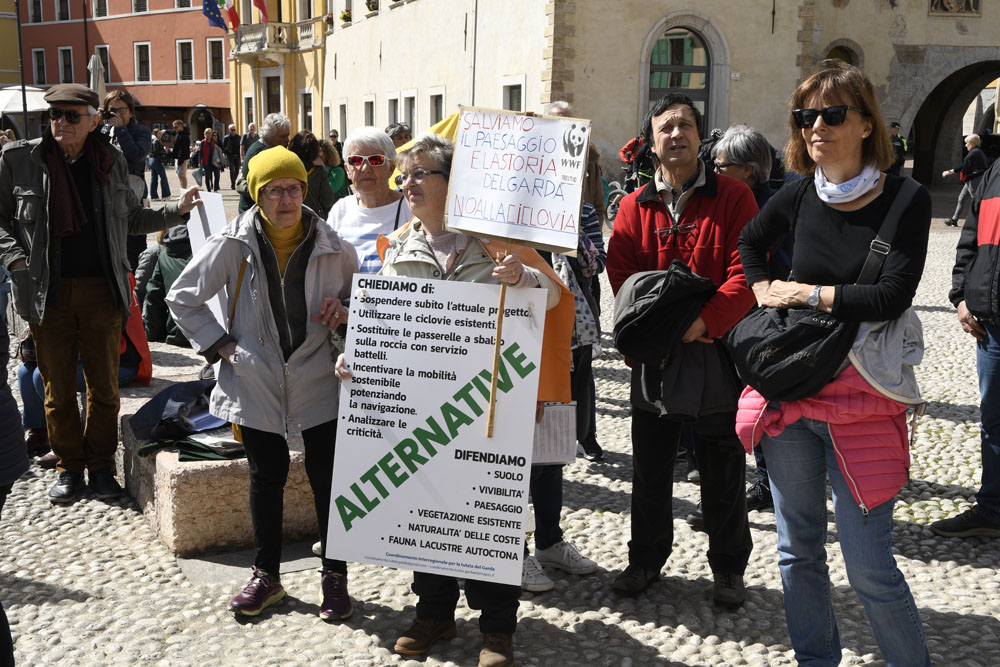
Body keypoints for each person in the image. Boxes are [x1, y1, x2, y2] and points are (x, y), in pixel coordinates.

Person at [336, 133, 563, 667]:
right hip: (421, 406)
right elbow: (389, 325)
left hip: (489, 405)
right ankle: (433, 613)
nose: (406, 184)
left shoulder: (495, 242)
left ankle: (497, 629)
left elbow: (551, 294)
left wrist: (522, 275)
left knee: (488, 512)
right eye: (404, 175)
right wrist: (357, 356)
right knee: (425, 506)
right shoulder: (397, 247)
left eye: (418, 174)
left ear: (450, 182)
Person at [737, 62, 932, 666]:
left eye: (832, 114)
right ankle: (815, 660)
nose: (815, 126)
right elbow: (749, 241)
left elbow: (893, 295)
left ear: (867, 124)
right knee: (798, 551)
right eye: (805, 116)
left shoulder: (907, 198)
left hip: (865, 396)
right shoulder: (798, 190)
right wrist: (764, 286)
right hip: (793, 393)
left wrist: (808, 293)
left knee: (869, 563)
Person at [167, 146, 357, 620]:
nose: (286, 199)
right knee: (264, 477)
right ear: (257, 195)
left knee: (328, 480)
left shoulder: (335, 245)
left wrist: (345, 316)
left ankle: (335, 577)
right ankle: (266, 577)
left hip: (318, 377)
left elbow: (364, 310)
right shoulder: (232, 243)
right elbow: (183, 298)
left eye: (293, 188)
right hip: (253, 377)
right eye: (273, 190)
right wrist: (221, 347)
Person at [0, 83, 199, 504]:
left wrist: (176, 209)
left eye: (72, 116)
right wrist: (16, 259)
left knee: (104, 388)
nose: (61, 123)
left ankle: (102, 467)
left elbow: (131, 219)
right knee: (54, 389)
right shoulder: (19, 160)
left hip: (101, 290)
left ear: (93, 121)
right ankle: (70, 468)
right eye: (54, 115)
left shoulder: (109, 160)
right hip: (44, 292)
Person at [605, 93, 756, 607]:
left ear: (700, 135)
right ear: (651, 141)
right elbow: (622, 276)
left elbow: (746, 276)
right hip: (656, 358)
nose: (676, 134)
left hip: (714, 355)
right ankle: (646, 559)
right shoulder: (632, 206)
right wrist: (650, 332)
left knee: (722, 469)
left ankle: (729, 568)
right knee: (650, 470)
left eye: (685, 125)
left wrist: (703, 322)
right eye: (665, 127)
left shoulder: (734, 197)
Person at [711, 123, 782, 513]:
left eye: (722, 167)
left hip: (762, 323)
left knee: (761, 403)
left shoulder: (771, 209)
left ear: (748, 170)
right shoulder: (727, 199)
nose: (715, 172)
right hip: (738, 319)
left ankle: (768, 483)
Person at [18, 272, 153, 470]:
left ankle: (64, 441)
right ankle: (40, 433)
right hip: (82, 354)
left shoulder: (110, 277)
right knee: (25, 373)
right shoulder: (51, 276)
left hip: (121, 362)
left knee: (42, 376)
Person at [934, 157, 1000, 538]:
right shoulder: (994, 174)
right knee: (994, 422)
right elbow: (971, 240)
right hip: (992, 328)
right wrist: (962, 296)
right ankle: (993, 510)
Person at [326, 126, 410, 273]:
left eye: (375, 160)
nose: (365, 168)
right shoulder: (340, 210)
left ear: (391, 168)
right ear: (347, 170)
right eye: (356, 161)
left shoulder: (410, 210)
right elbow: (328, 268)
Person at [102, 90, 153, 269]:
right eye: (112, 111)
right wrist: (103, 130)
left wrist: (121, 130)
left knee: (135, 249)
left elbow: (137, 155)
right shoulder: (104, 131)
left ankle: (137, 290)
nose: (117, 114)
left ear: (131, 112)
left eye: (122, 110)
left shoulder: (141, 131)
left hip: (133, 200)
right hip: (107, 199)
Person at [143, 226, 193, 348]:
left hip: (178, 333)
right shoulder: (207, 249)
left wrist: (152, 334)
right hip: (213, 333)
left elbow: (153, 297)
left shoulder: (164, 255)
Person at [238, 113, 291, 213]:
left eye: (287, 136)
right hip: (252, 211)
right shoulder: (262, 152)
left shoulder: (263, 147)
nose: (287, 140)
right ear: (269, 136)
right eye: (283, 136)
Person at [942, 133, 989, 227]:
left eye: (967, 143)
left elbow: (964, 167)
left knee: (976, 200)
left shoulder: (973, 154)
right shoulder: (978, 152)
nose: (966, 145)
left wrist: (950, 172)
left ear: (972, 143)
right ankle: (954, 220)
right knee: (961, 198)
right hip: (971, 180)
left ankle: (982, 222)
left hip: (974, 180)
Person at [288, 130, 336, 219]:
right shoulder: (318, 170)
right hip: (311, 220)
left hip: (290, 218)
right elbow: (328, 200)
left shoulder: (286, 170)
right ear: (315, 149)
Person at [195, 128, 222, 193]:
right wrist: (199, 162)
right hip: (206, 162)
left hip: (214, 162)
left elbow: (218, 151)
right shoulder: (202, 143)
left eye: (210, 133)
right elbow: (200, 153)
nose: (209, 134)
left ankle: (215, 189)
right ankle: (209, 190)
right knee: (207, 176)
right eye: (207, 133)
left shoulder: (214, 142)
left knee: (217, 174)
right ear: (205, 134)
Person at [149, 129, 171, 201]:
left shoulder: (152, 140)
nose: (161, 134)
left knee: (154, 178)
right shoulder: (156, 141)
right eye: (159, 133)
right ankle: (166, 195)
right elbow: (156, 151)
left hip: (151, 160)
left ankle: (154, 196)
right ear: (156, 133)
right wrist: (164, 151)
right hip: (156, 160)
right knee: (163, 177)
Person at [171, 120, 191, 190]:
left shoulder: (184, 136)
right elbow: (173, 132)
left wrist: (180, 162)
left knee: (182, 175)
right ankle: (182, 190)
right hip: (178, 158)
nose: (174, 129)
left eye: (175, 127)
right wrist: (166, 131)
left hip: (182, 159)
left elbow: (183, 150)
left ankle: (184, 192)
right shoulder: (179, 133)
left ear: (180, 126)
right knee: (179, 175)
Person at [222, 124, 242, 190]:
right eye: (232, 130)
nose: (233, 131)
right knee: (232, 171)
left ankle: (233, 181)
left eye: (234, 130)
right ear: (229, 130)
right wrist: (225, 152)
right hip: (230, 156)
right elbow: (223, 147)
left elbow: (241, 147)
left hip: (237, 156)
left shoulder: (239, 137)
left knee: (237, 171)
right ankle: (233, 184)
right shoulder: (226, 138)